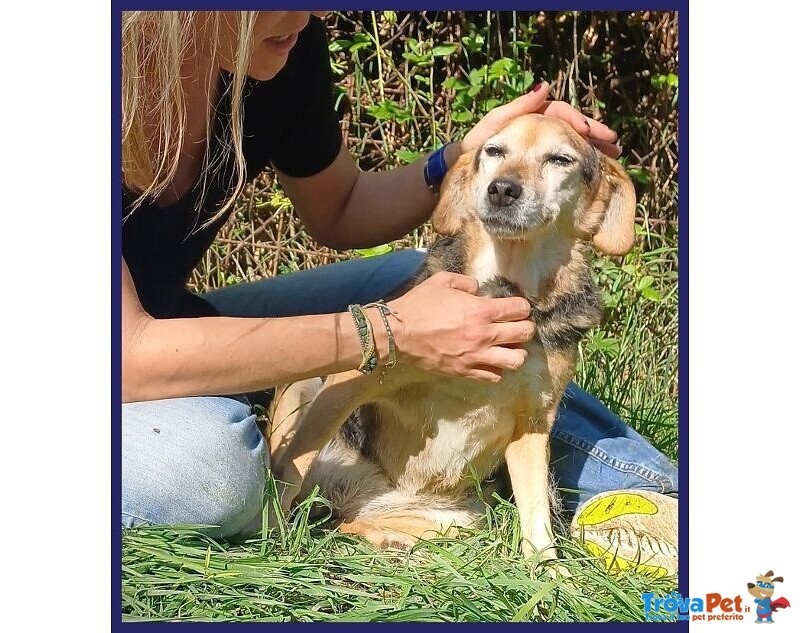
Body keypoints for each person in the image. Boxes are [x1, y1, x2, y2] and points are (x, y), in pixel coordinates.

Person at [121, 11, 678, 574]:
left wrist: (465, 153)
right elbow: (124, 355)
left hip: (179, 318)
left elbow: (341, 208)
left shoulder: (282, 44)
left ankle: (647, 495)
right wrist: (391, 333)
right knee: (210, 467)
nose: (319, 13)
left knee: (447, 290)